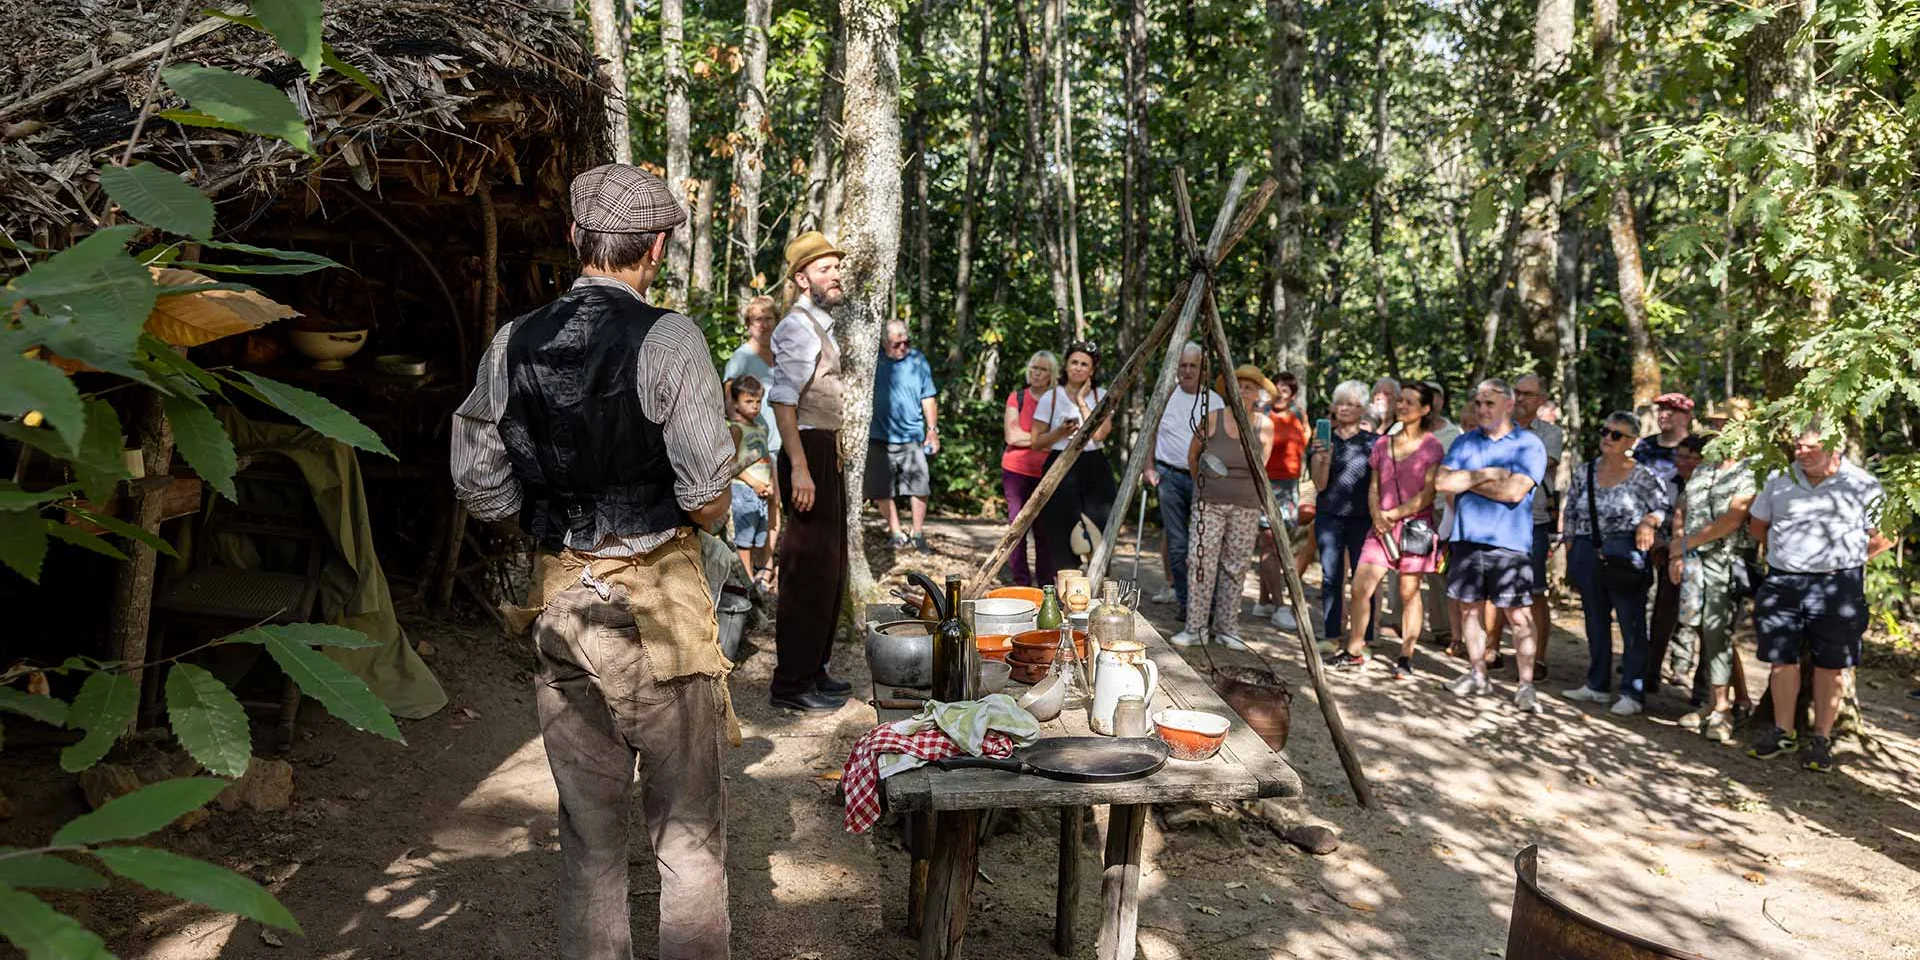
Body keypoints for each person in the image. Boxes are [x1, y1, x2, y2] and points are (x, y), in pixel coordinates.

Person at [450, 163, 732, 959]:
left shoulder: (513, 342)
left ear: (575, 238)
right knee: (687, 837)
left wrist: (544, 520)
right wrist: (702, 513)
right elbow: (708, 489)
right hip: (659, 616)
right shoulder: (670, 338)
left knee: (589, 836)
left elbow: (477, 479)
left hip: (564, 605)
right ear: (660, 247)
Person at [1746, 423, 1893, 772]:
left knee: (1832, 665)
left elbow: (1886, 536)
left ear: (1833, 447)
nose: (1802, 453)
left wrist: (1845, 560)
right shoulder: (1779, 479)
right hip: (1783, 581)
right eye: (1798, 446)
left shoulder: (1862, 484)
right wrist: (1787, 556)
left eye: (1811, 447)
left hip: (1837, 586)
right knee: (1782, 660)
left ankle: (1821, 739)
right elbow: (1757, 525)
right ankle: (1783, 731)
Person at [767, 231, 854, 712]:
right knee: (804, 571)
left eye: (836, 267)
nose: (835, 274)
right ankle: (791, 684)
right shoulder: (797, 327)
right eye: (824, 269)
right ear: (802, 279)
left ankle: (813, 671)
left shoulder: (819, 325)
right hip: (807, 451)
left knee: (827, 568)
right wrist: (800, 468)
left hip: (824, 449)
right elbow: (783, 402)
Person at [1435, 379, 1547, 712]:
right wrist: (1488, 474)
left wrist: (1467, 481)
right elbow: (1442, 482)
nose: (1482, 409)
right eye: (1479, 403)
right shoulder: (1465, 441)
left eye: (1490, 403)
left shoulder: (1529, 444)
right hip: (1467, 539)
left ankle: (1526, 686)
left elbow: (1515, 492)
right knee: (1469, 609)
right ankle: (1477, 673)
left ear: (1508, 405)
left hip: (1509, 545)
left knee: (1519, 616)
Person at [1326, 382, 1444, 679]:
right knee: (1360, 587)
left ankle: (1406, 655)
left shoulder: (1432, 446)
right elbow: (1374, 485)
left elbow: (1429, 493)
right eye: (1400, 401)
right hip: (1380, 527)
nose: (1402, 406)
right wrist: (1378, 515)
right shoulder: (1383, 443)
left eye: (1409, 402)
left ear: (1425, 409)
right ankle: (1354, 649)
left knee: (1408, 591)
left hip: (1415, 527)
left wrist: (1394, 514)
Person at [1558, 411, 1669, 717]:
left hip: (1625, 553)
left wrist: (1649, 521)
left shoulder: (1644, 476)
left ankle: (1632, 691)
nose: (1607, 438)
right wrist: (1569, 548)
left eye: (1616, 434)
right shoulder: (1585, 471)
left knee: (1631, 622)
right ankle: (1596, 684)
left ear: (1631, 441)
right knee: (1594, 619)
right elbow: (1571, 511)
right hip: (1587, 548)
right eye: (1605, 431)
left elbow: (1663, 507)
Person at [1172, 365, 1276, 650]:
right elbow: (1193, 456)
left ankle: (1227, 628)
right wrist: (1204, 485)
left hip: (1246, 504)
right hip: (1209, 503)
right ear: (1228, 388)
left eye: (1249, 387)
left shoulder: (1264, 425)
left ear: (1258, 394)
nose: (1243, 390)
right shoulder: (1212, 418)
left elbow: (1261, 467)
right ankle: (1195, 628)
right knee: (1200, 561)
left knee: (1236, 566)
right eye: (1238, 385)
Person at [1666, 433, 1755, 743]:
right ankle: (1726, 702)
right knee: (1703, 629)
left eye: (1725, 427)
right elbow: (1683, 507)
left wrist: (1686, 543)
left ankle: (1722, 710)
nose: (1719, 434)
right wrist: (1678, 549)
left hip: (1725, 561)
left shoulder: (1750, 470)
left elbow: (1732, 519)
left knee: (1718, 632)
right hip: (1693, 561)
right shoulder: (1704, 468)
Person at [1146, 343, 1224, 613]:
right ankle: (1186, 602)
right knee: (1177, 542)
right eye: (1183, 365)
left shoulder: (1214, 401)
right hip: (1169, 474)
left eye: (1193, 365)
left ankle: (1208, 604)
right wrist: (1148, 467)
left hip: (1204, 479)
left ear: (1203, 369)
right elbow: (1150, 434)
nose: (1187, 370)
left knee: (1206, 541)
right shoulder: (1165, 396)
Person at [1032, 340, 1117, 584]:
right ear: (1066, 366)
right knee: (1060, 532)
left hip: (1094, 465)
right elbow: (1036, 441)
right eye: (1074, 362)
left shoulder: (1101, 395)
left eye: (1084, 364)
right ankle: (1067, 594)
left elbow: (1100, 434)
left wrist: (1082, 401)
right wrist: (1059, 431)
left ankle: (1098, 591)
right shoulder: (1051, 396)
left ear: (1092, 370)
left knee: (1099, 531)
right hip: (1060, 462)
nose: (1078, 368)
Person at [1307, 381, 1378, 646]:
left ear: (1362, 409)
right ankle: (1332, 634)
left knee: (1363, 580)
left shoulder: (1374, 443)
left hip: (1364, 518)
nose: (1344, 408)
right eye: (1340, 403)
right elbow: (1320, 484)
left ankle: (1364, 639)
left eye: (1351, 404)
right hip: (1330, 516)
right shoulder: (1322, 440)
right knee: (1331, 577)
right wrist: (1322, 457)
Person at [865, 319, 940, 553]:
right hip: (878, 436)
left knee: (919, 486)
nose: (902, 348)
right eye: (897, 344)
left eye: (906, 342)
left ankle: (917, 534)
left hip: (911, 436)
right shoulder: (871, 359)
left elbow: (928, 396)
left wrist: (932, 430)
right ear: (885, 342)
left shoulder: (917, 360)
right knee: (880, 489)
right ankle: (896, 532)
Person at [1637, 392, 1693, 698]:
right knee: (1650, 601)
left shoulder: (1698, 448)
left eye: (1671, 411)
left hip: (1686, 538)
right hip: (1651, 532)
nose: (1664, 416)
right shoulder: (1646, 446)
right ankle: (1646, 661)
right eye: (1661, 410)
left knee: (1684, 606)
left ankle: (1680, 665)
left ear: (1685, 416)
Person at [723, 295, 784, 560]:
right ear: (748, 323)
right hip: (752, 445)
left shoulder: (781, 355)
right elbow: (729, 402)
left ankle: (767, 567)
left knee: (775, 504)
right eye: (757, 319)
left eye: (769, 318)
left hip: (780, 440)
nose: (764, 325)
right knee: (750, 508)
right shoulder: (741, 357)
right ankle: (751, 571)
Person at [1513, 374, 1564, 667]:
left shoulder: (1550, 434)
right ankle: (1491, 651)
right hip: (1498, 517)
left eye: (1528, 394)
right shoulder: (1498, 427)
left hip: (1534, 519)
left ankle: (1539, 658)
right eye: (1517, 393)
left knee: (1534, 591)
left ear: (1541, 399)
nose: (1521, 399)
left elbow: (1541, 463)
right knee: (1497, 588)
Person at [1002, 351, 1060, 586]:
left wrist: (1042, 439)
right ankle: (1021, 582)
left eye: (1043, 369)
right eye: (1034, 368)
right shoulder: (1017, 397)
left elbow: (1064, 438)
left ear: (1051, 375)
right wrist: (1045, 439)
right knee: (1017, 528)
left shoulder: (1057, 401)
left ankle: (1046, 583)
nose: (1037, 373)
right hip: (1016, 471)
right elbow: (1011, 436)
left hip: (1047, 473)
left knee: (1045, 532)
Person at [1254, 370, 1307, 626]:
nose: (1280, 395)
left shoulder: (1298, 415)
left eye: (1285, 391)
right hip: (1267, 484)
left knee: (1279, 545)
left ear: (1293, 394)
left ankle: (1263, 602)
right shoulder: (1262, 415)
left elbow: (1304, 444)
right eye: (1276, 390)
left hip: (1291, 487)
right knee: (1269, 544)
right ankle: (1279, 606)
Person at [727, 376, 775, 592]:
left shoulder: (761, 429)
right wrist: (753, 482)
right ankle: (747, 580)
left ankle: (756, 575)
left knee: (759, 537)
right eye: (749, 401)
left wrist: (770, 483)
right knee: (744, 538)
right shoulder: (736, 429)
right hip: (744, 490)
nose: (755, 407)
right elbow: (732, 464)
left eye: (757, 402)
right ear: (736, 403)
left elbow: (766, 459)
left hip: (763, 492)